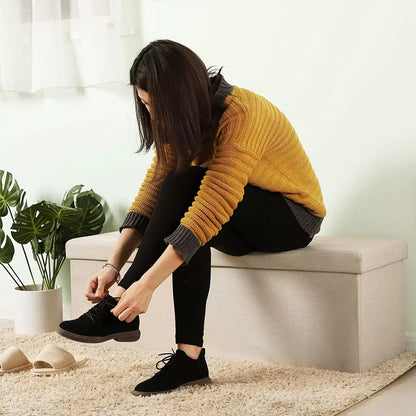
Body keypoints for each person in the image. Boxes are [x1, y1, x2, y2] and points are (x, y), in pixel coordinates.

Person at [58, 39, 326, 396]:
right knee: (179, 183)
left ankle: (118, 307)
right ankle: (190, 358)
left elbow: (214, 203)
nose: (152, 115)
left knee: (193, 187)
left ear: (179, 96)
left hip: (292, 219)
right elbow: (155, 190)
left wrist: (145, 285)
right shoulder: (181, 118)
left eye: (156, 106)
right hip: (236, 222)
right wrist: (112, 265)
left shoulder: (243, 114)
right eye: (145, 105)